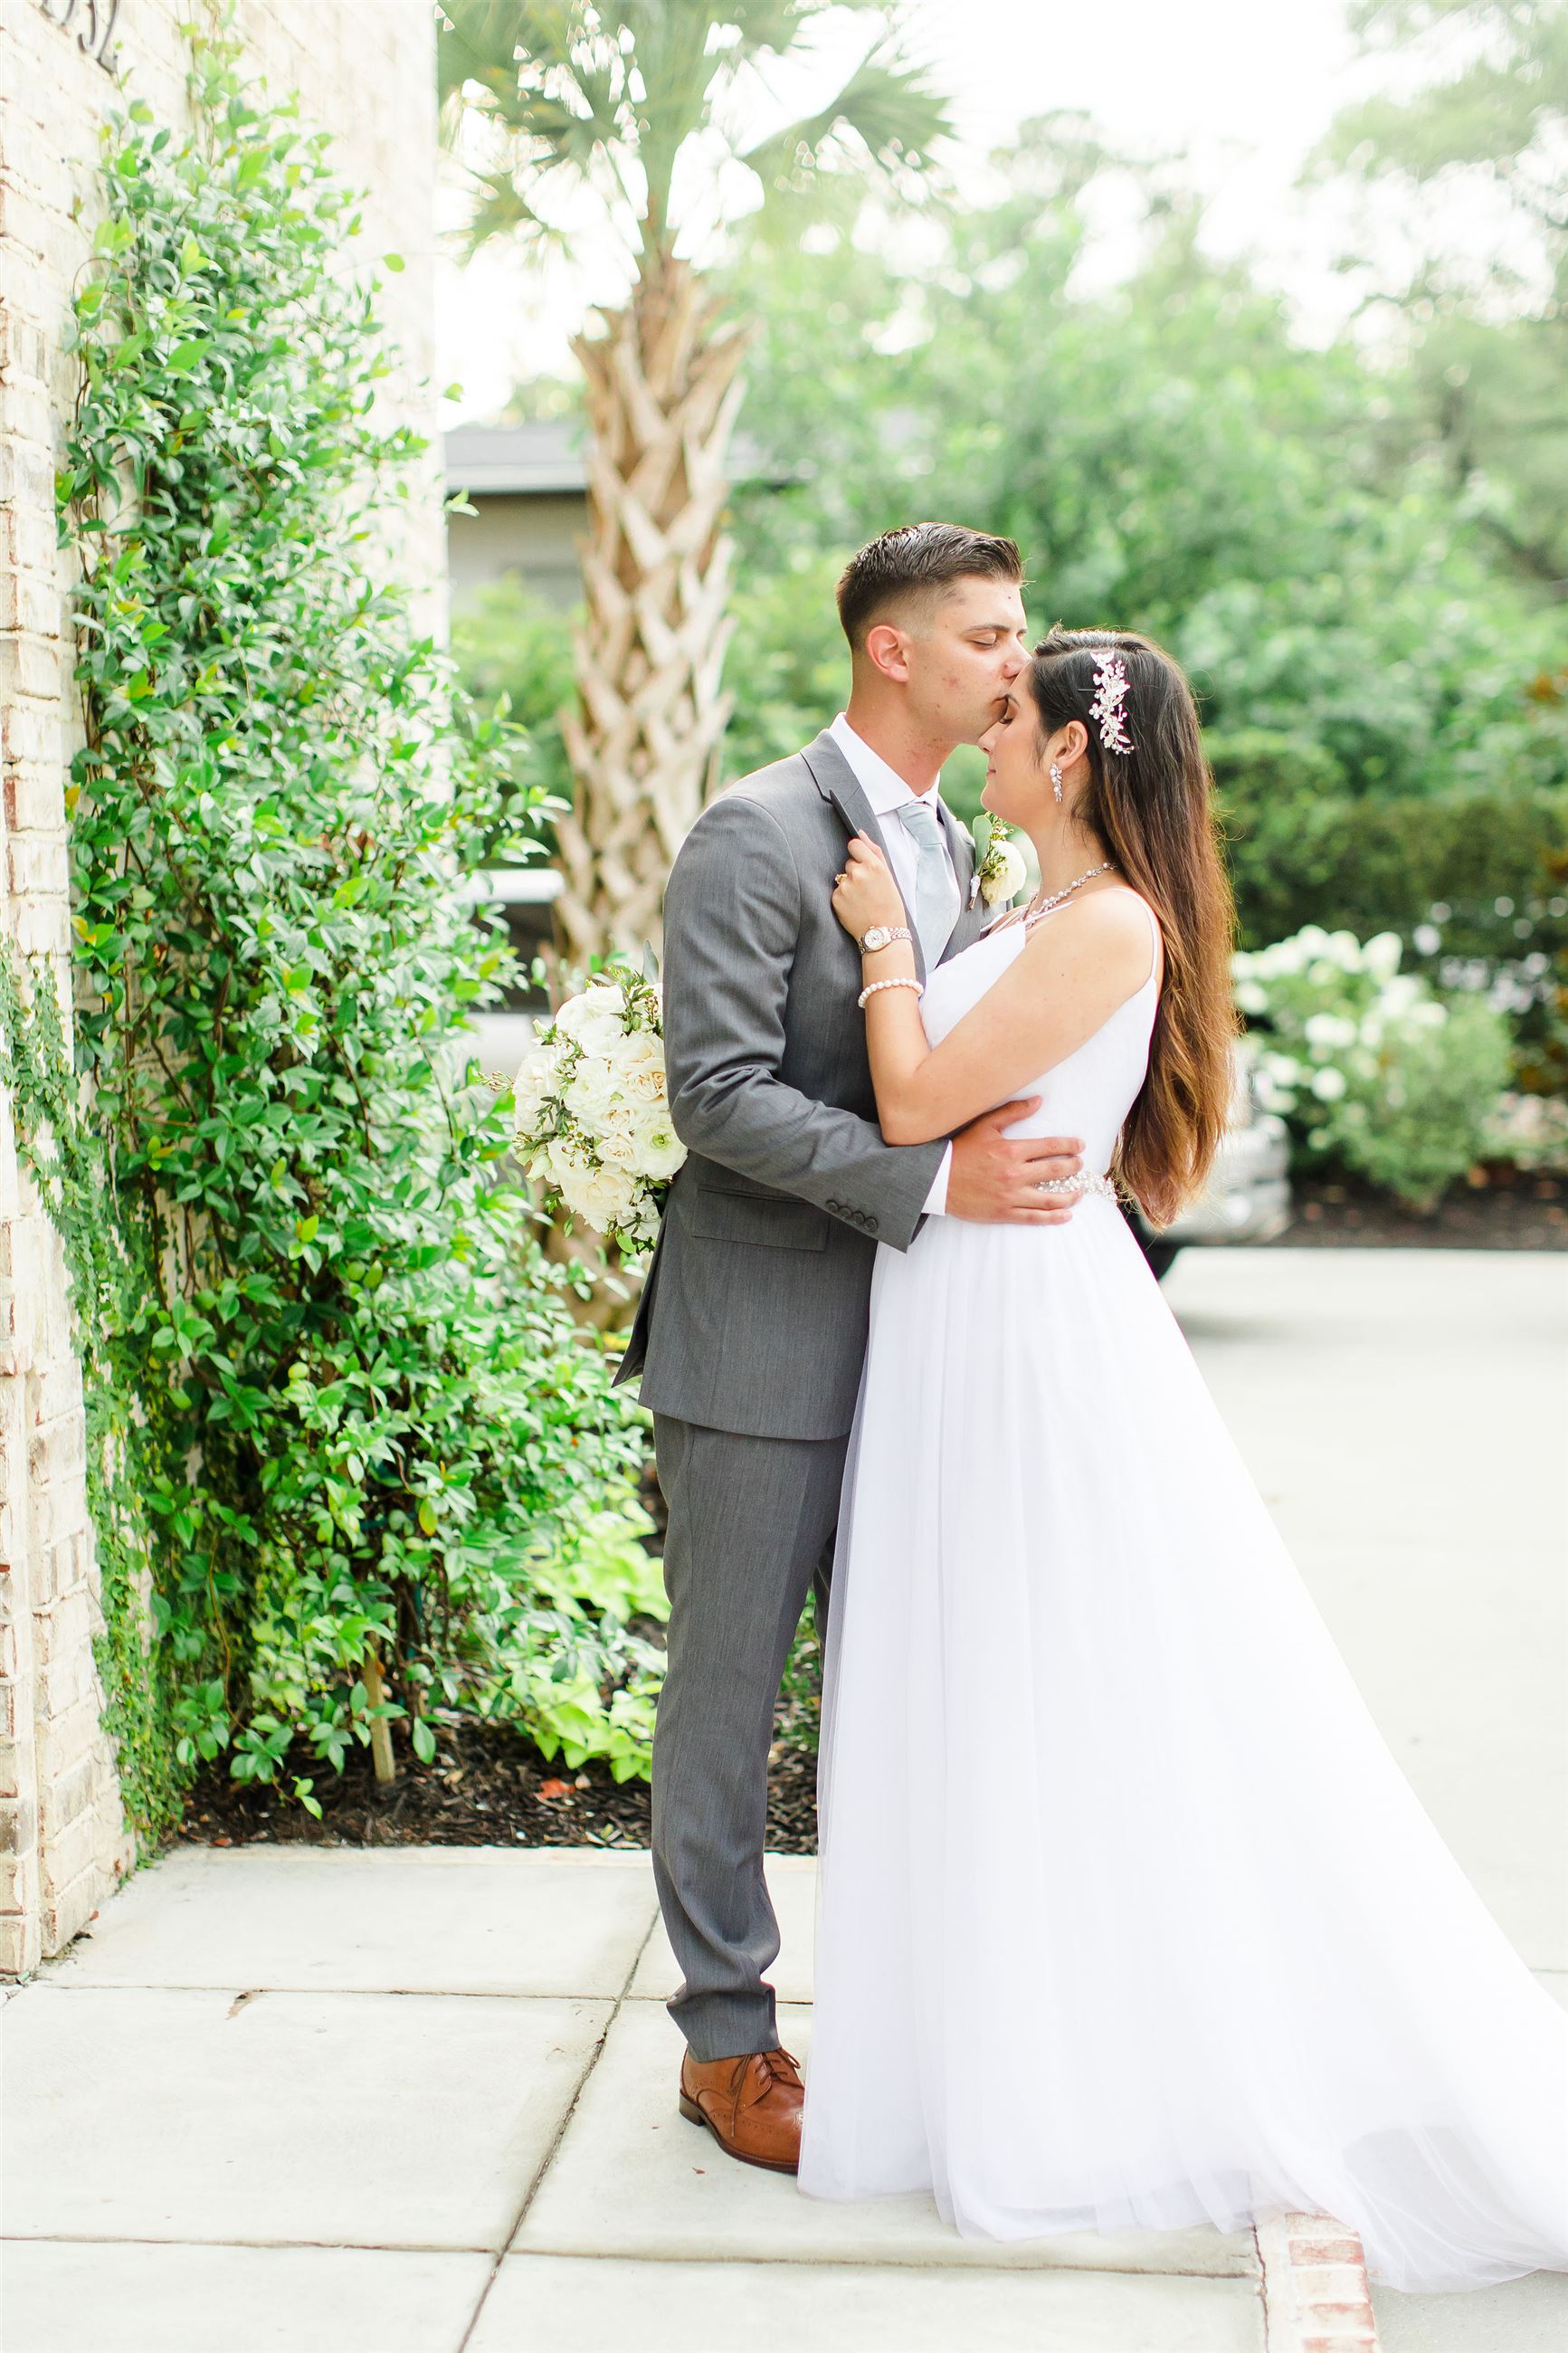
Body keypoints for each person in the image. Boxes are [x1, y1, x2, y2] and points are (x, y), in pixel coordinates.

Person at [795, 624, 1568, 2293]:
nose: (982, 741)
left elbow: (917, 1096)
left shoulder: (1108, 924)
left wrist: (877, 949)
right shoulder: (1034, 910)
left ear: (1069, 755)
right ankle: (999, 2042)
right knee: (984, 1672)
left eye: (1007, 718)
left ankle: (1076, 2073)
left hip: (1023, 1334)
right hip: (963, 1308)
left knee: (1057, 1669)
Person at [617, 523, 1090, 2172]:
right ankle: (727, 2041)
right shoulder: (755, 833)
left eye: (1018, 637)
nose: (1012, 666)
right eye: (985, 638)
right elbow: (717, 1097)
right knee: (726, 1704)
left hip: (918, 1351)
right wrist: (932, 1176)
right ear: (891, 650)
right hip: (754, 1349)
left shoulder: (958, 842)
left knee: (895, 1699)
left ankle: (889, 2014)